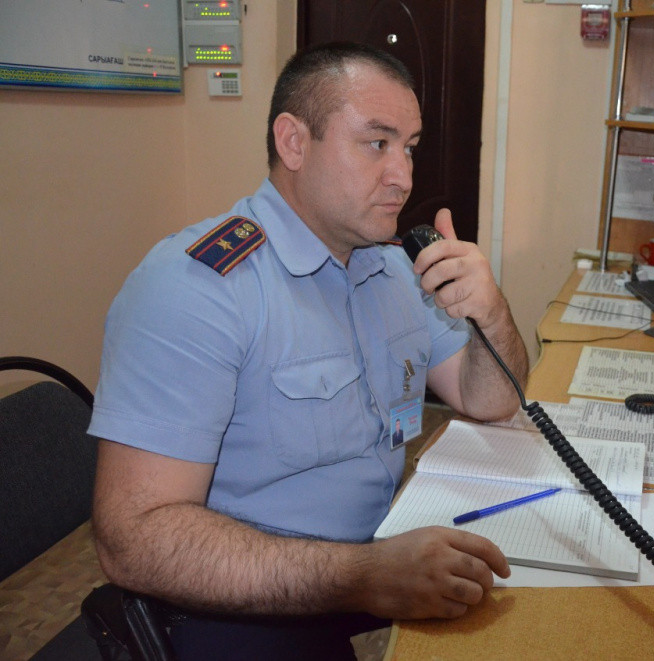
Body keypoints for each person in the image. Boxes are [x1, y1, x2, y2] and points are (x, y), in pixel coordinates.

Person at [88, 42, 529, 659]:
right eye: (376, 143)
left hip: (377, 558)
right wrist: (365, 575)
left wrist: (491, 312)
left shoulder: (392, 268)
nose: (403, 176)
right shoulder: (196, 289)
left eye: (409, 147)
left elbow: (490, 400)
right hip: (243, 604)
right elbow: (134, 539)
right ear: (293, 143)